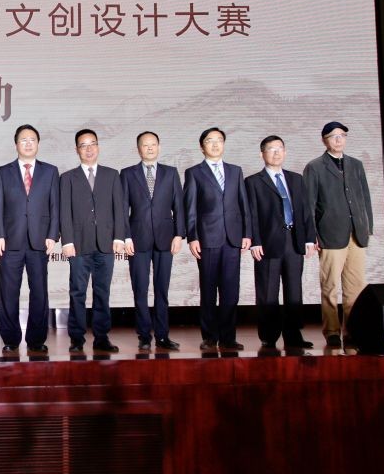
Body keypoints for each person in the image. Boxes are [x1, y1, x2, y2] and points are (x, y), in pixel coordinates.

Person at [0, 124, 60, 354]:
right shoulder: (3, 172)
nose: (28, 144)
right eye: (23, 140)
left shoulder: (50, 171)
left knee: (39, 291)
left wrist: (52, 234)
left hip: (39, 240)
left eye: (32, 140)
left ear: (38, 144)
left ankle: (36, 339)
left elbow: (55, 206)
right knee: (8, 292)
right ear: (16, 144)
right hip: (10, 241)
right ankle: (10, 338)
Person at [303, 121, 373, 347]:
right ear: (324, 140)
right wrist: (311, 234)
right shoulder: (315, 167)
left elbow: (365, 197)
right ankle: (332, 331)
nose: (339, 139)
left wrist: (367, 226)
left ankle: (352, 329)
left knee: (355, 286)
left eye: (342, 135)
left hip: (356, 234)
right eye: (334, 136)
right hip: (330, 233)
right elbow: (308, 204)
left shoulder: (356, 164)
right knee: (330, 285)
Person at [183, 127, 252, 351]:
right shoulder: (194, 172)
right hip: (207, 239)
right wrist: (192, 237)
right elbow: (190, 208)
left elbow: (243, 204)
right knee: (209, 290)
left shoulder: (235, 171)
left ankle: (229, 337)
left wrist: (247, 233)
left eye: (219, 140)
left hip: (233, 238)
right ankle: (210, 337)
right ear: (202, 146)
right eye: (210, 141)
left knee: (231, 291)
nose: (215, 144)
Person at [245, 135, 316, 350]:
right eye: (271, 149)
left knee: (294, 290)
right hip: (267, 243)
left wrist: (309, 238)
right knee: (268, 290)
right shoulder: (253, 181)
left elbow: (305, 211)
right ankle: (269, 336)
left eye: (280, 148)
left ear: (285, 152)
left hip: (294, 240)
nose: (276, 153)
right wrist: (255, 241)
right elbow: (251, 214)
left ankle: (293, 335)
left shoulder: (296, 179)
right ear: (262, 154)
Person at [60, 129, 125, 353]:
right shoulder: (67, 178)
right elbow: (64, 212)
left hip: (106, 244)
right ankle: (77, 338)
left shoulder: (112, 175)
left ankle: (101, 337)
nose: (88, 149)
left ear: (98, 147)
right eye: (83, 145)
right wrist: (67, 241)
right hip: (78, 244)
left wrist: (119, 236)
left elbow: (119, 209)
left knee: (102, 291)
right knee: (77, 291)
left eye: (92, 144)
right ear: (76, 149)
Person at [121, 131, 185, 351]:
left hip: (166, 238)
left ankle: (162, 335)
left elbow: (179, 206)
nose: (149, 148)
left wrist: (179, 234)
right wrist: (126, 236)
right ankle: (144, 336)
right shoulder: (127, 173)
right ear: (138, 148)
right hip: (137, 239)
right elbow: (122, 209)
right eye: (145, 145)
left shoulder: (171, 173)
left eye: (153, 144)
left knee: (162, 289)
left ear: (159, 147)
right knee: (140, 289)